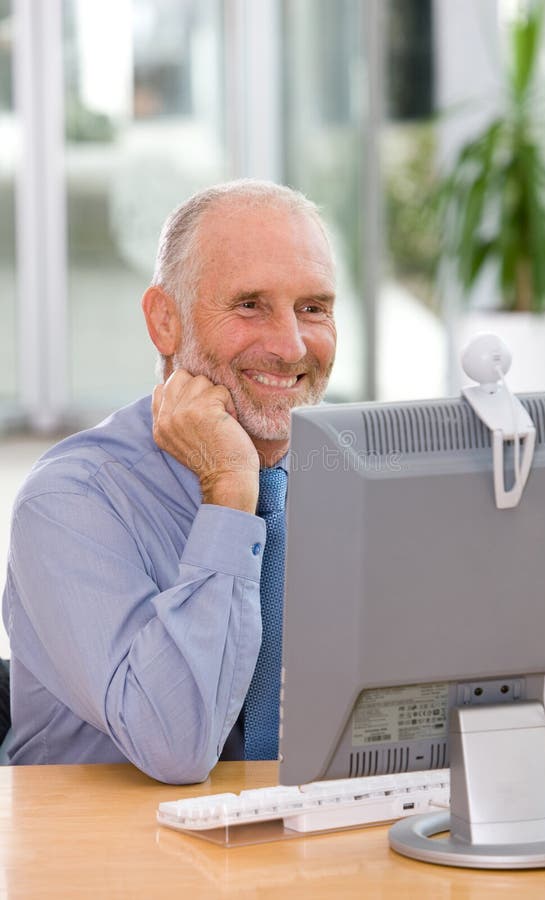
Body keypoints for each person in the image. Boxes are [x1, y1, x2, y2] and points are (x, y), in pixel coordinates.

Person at [2, 180, 337, 784]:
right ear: (165, 322)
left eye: (312, 308)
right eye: (249, 305)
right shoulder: (68, 503)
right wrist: (231, 495)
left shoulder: (347, 475)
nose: (291, 346)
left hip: (303, 845)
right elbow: (175, 747)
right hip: (108, 862)